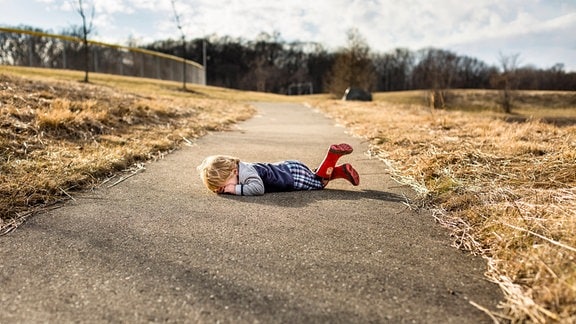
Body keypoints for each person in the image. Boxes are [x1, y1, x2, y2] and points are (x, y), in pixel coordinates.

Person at [197, 143, 360, 196]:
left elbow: (258, 189)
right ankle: (340, 171)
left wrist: (235, 189)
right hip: (289, 168)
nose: (226, 189)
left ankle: (332, 157)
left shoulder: (245, 173)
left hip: (292, 176)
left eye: (224, 185)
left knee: (319, 183)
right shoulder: (240, 168)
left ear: (233, 171)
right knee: (316, 176)